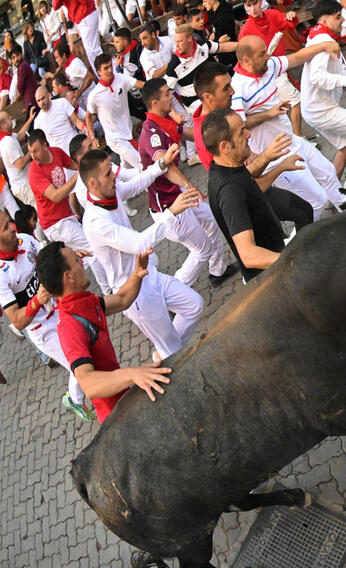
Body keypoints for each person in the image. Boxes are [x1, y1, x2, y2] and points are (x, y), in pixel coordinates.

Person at [79, 147, 204, 361]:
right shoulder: (95, 222)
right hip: (134, 294)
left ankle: (165, 354)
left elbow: (137, 184)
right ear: (93, 184)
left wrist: (161, 165)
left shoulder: (111, 190)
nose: (114, 176)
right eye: (108, 173)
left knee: (194, 305)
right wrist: (172, 212)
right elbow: (139, 243)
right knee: (174, 351)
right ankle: (169, 356)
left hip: (148, 274)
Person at [36, 241, 172, 423]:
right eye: (76, 260)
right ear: (68, 277)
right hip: (117, 419)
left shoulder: (84, 301)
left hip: (125, 398)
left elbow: (122, 299)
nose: (82, 262)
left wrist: (137, 274)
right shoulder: (69, 327)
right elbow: (89, 384)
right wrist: (133, 374)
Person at [231, 34, 346, 217]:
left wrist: (323, 45)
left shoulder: (268, 66)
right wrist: (268, 114)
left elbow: (296, 58)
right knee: (317, 201)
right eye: (263, 54)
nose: (268, 57)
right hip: (275, 157)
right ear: (246, 60)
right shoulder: (237, 89)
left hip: (293, 142)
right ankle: (297, 243)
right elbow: (239, 126)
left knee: (328, 173)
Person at [192, 62, 312, 231]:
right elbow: (240, 180)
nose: (233, 91)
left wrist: (270, 113)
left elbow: (244, 124)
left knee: (304, 211)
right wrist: (269, 158)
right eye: (226, 88)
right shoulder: (208, 137)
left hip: (255, 186)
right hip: (248, 198)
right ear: (208, 97)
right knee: (293, 223)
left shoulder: (217, 114)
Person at [139, 79, 236, 288]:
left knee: (211, 220)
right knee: (202, 250)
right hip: (168, 206)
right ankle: (173, 294)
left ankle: (218, 271)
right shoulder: (151, 133)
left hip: (179, 192)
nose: (171, 97)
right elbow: (165, 165)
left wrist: (215, 135)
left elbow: (192, 135)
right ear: (155, 102)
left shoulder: (165, 120)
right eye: (166, 94)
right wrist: (189, 185)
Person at [0, 209, 96, 420]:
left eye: (10, 222)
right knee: (80, 363)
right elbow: (16, 320)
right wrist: (37, 300)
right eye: (6, 228)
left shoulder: (26, 240)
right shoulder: (1, 274)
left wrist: (69, 260)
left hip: (61, 309)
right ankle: (77, 399)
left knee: (86, 354)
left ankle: (74, 398)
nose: (13, 229)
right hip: (42, 330)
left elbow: (49, 264)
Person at [203, 108, 304, 281]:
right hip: (269, 276)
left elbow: (250, 188)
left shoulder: (228, 167)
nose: (249, 134)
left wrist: (280, 167)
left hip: (275, 258)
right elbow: (249, 256)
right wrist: (295, 261)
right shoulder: (229, 192)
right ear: (225, 146)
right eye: (241, 132)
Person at [301, 0, 346, 193]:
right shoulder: (323, 42)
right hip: (321, 110)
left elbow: (333, 73)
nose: (342, 20)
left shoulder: (320, 37)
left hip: (314, 109)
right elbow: (317, 77)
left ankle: (330, 195)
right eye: (338, 17)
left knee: (345, 147)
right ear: (324, 20)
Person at [26, 130, 110, 293]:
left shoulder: (56, 152)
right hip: (54, 224)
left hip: (66, 216)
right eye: (30, 152)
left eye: (36, 150)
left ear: (45, 146)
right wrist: (78, 175)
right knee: (91, 248)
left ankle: (84, 290)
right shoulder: (34, 173)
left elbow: (75, 165)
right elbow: (56, 196)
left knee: (84, 253)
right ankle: (108, 291)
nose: (33, 156)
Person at [238, 0, 305, 137]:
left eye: (255, 3)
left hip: (280, 66)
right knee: (295, 101)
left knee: (281, 109)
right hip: (266, 72)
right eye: (248, 5)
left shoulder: (272, 14)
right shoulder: (246, 30)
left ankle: (291, 139)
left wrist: (291, 16)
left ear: (261, 2)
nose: (253, 8)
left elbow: (288, 24)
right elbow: (244, 59)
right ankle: (299, 138)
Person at [85, 55, 145, 168]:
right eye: (106, 68)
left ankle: (121, 184)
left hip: (127, 132)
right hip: (115, 139)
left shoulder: (120, 78)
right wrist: (92, 138)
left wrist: (155, 86)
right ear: (99, 72)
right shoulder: (94, 95)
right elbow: (88, 116)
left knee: (126, 168)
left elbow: (140, 84)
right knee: (142, 165)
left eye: (110, 66)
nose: (110, 70)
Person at [163, 23, 238, 110]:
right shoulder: (174, 66)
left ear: (190, 38)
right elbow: (165, 92)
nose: (176, 45)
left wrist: (244, 45)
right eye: (176, 41)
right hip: (196, 103)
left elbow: (223, 47)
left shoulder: (203, 45)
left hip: (215, 93)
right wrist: (175, 114)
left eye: (180, 41)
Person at [52, 0, 102, 66]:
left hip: (87, 15)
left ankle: (102, 73)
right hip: (77, 20)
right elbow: (55, 6)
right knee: (90, 49)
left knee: (91, 50)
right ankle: (102, 72)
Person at [34, 87, 85, 155]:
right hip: (61, 155)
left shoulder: (62, 102)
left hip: (76, 145)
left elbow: (76, 120)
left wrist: (85, 128)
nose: (41, 103)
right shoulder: (37, 122)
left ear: (49, 95)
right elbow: (43, 145)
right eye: (38, 101)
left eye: (43, 98)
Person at [0, 112, 34, 207]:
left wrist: (30, 119)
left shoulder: (8, 137)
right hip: (23, 185)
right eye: (8, 118)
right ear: (3, 125)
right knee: (39, 208)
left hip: (24, 183)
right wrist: (32, 150)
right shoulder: (7, 142)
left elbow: (19, 136)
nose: (11, 117)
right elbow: (20, 164)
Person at [8, 45, 39, 114]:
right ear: (11, 61)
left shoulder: (22, 67)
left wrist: (17, 96)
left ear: (21, 54)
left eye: (17, 56)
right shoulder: (22, 66)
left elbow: (20, 87)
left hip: (32, 100)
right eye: (13, 58)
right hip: (31, 99)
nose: (16, 59)